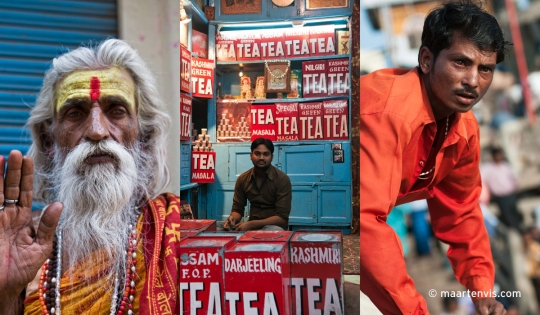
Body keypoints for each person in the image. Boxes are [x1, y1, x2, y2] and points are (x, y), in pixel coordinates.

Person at [0, 39, 180, 314]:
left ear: (142, 137)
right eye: (75, 113)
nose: (96, 130)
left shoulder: (174, 234)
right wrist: (7, 295)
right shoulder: (20, 243)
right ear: (50, 141)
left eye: (117, 111)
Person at [360, 0, 511, 314]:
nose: (473, 80)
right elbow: (364, 223)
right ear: (426, 60)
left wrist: (482, 291)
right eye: (461, 62)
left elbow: (461, 211)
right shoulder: (389, 112)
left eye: (485, 69)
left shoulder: (465, 128)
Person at [223, 138, 292, 231]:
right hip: (251, 224)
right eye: (257, 153)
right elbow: (237, 210)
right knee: (218, 227)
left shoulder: (282, 179)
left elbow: (282, 219)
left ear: (272, 157)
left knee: (272, 230)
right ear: (251, 156)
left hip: (274, 226)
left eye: (266, 154)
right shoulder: (243, 179)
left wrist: (252, 224)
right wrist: (233, 219)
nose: (261, 158)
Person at [481, 147, 522, 230]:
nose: (500, 157)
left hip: (511, 194)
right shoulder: (487, 169)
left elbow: (514, 178)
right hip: (500, 197)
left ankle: (519, 230)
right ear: (493, 156)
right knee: (507, 215)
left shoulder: (505, 166)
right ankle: (513, 231)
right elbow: (480, 179)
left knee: (514, 212)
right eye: (498, 155)